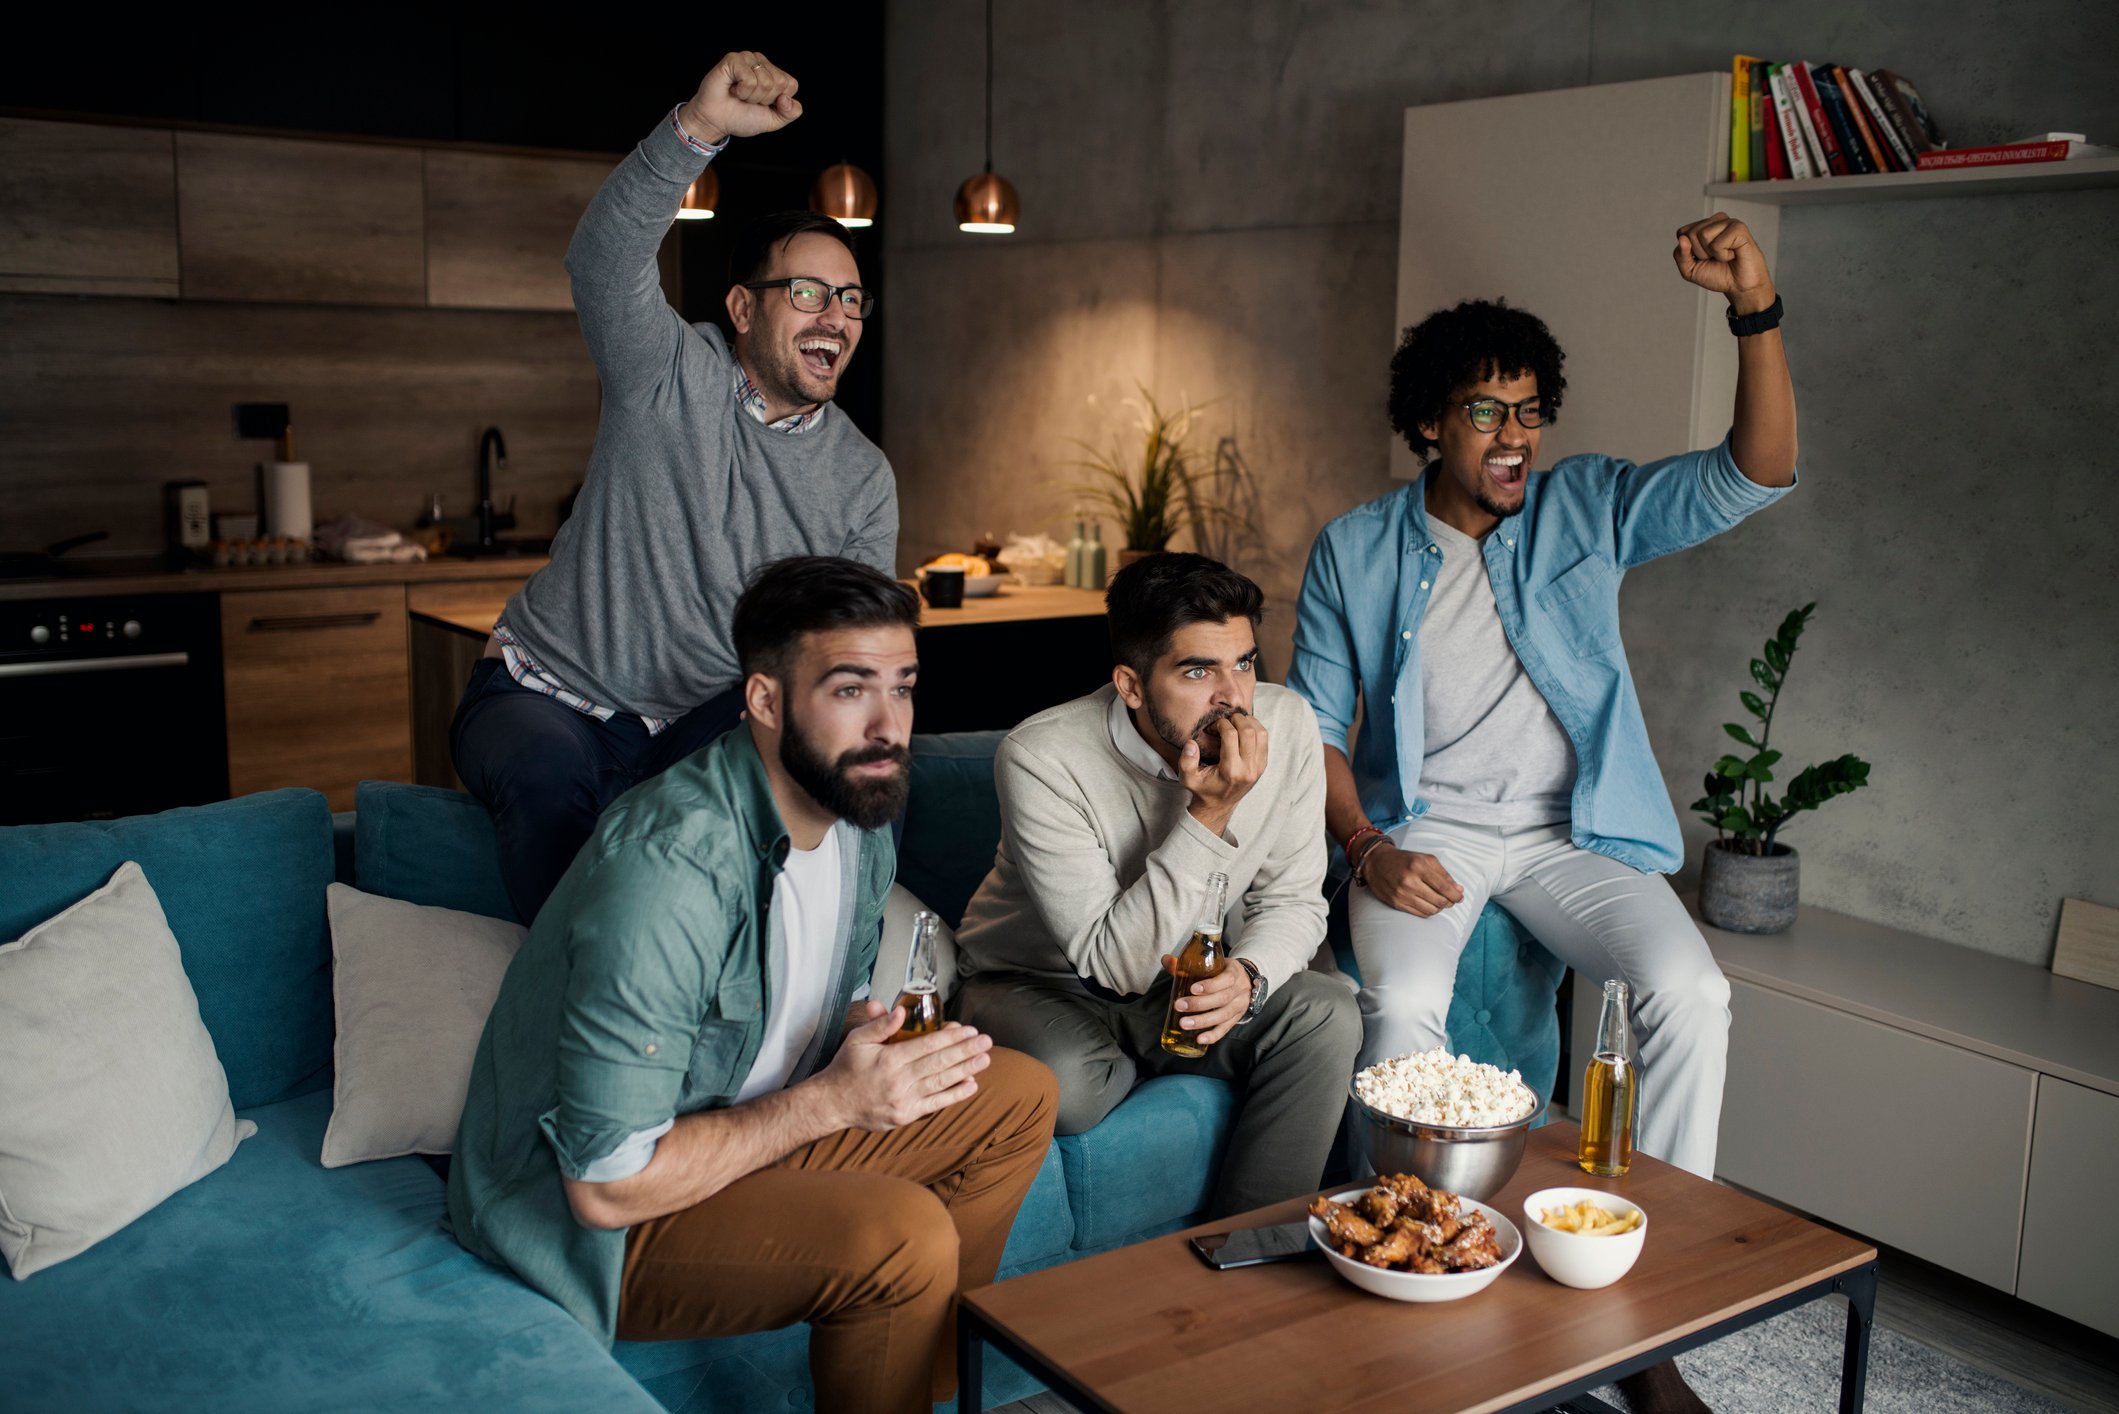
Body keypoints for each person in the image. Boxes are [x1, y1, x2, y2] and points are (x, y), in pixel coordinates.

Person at [1289, 215, 1795, 1413]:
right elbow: (1309, 724)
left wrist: (1754, 306)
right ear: (1428, 423)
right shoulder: (1356, 549)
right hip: (1432, 832)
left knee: (1692, 992)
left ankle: (1645, 1311)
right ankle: (1430, 1271)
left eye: (1528, 409)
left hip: (1575, 834)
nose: (1515, 435)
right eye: (1485, 410)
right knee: (1403, 1001)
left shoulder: (1589, 509)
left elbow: (1757, 471)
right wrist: (1366, 848)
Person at [448, 557, 1056, 1414]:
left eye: (904, 687)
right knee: (902, 1237)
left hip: (743, 1130)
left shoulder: (858, 808)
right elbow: (604, 1183)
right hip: (592, 1216)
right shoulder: (669, 870)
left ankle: (923, 1388)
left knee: (1018, 1093)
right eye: (850, 691)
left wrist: (871, 1049)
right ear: (765, 701)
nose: (889, 726)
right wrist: (836, 1104)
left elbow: (806, 998)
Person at [450, 51, 896, 922]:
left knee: (774, 793)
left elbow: (850, 650)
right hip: (548, 695)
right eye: (808, 292)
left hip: (702, 722)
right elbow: (602, 261)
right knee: (548, 792)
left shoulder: (862, 478)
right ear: (741, 309)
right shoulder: (665, 373)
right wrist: (699, 130)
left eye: (850, 299)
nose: (836, 317)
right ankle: (581, 1022)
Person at [953, 553, 1361, 1218]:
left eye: (1245, 662)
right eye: (1197, 670)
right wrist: (1211, 812)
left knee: (1325, 1012)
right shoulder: (1041, 756)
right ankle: (1131, 1058)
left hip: (1177, 980)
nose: (1232, 695)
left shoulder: (1287, 726)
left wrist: (1250, 977)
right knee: (1073, 1087)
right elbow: (1115, 965)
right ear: (1131, 685)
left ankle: (1251, 1246)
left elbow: (1290, 899)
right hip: (1036, 980)